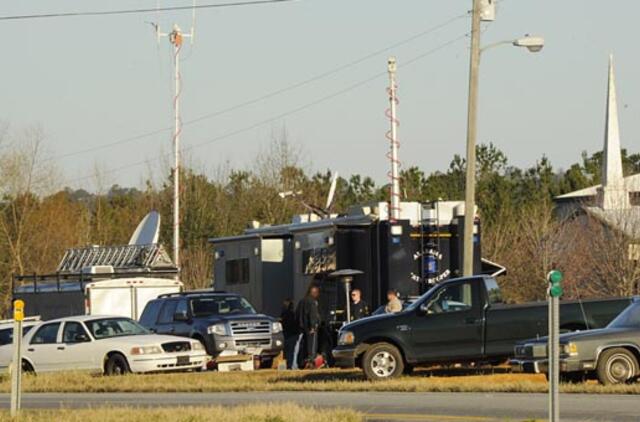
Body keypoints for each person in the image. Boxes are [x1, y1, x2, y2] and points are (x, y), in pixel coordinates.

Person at [296, 284, 321, 369]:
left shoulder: (302, 301)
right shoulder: (312, 302)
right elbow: (313, 315)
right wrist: (313, 326)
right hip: (311, 328)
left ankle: (302, 362)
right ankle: (311, 363)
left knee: (304, 346)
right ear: (314, 293)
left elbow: (298, 314)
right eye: (317, 293)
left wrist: (301, 325)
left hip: (303, 328)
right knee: (312, 346)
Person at [280, 298, 298, 369]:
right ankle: (290, 365)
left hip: (285, 334)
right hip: (292, 334)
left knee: (286, 351)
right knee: (291, 351)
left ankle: (285, 365)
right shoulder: (292, 314)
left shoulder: (283, 314)